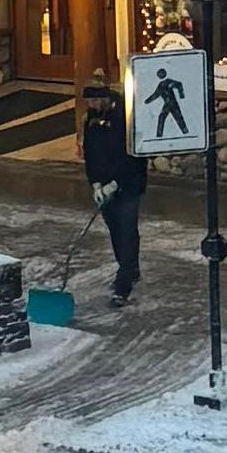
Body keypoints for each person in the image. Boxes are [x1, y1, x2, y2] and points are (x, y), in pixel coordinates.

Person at [78, 66, 147, 304]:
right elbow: (91, 155)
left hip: (127, 185)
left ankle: (123, 284)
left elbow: (132, 158)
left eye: (96, 100)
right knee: (115, 230)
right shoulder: (91, 121)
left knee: (127, 230)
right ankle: (129, 267)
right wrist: (95, 183)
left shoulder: (124, 118)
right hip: (105, 186)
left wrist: (116, 183)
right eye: (89, 101)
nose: (93, 105)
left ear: (105, 97)